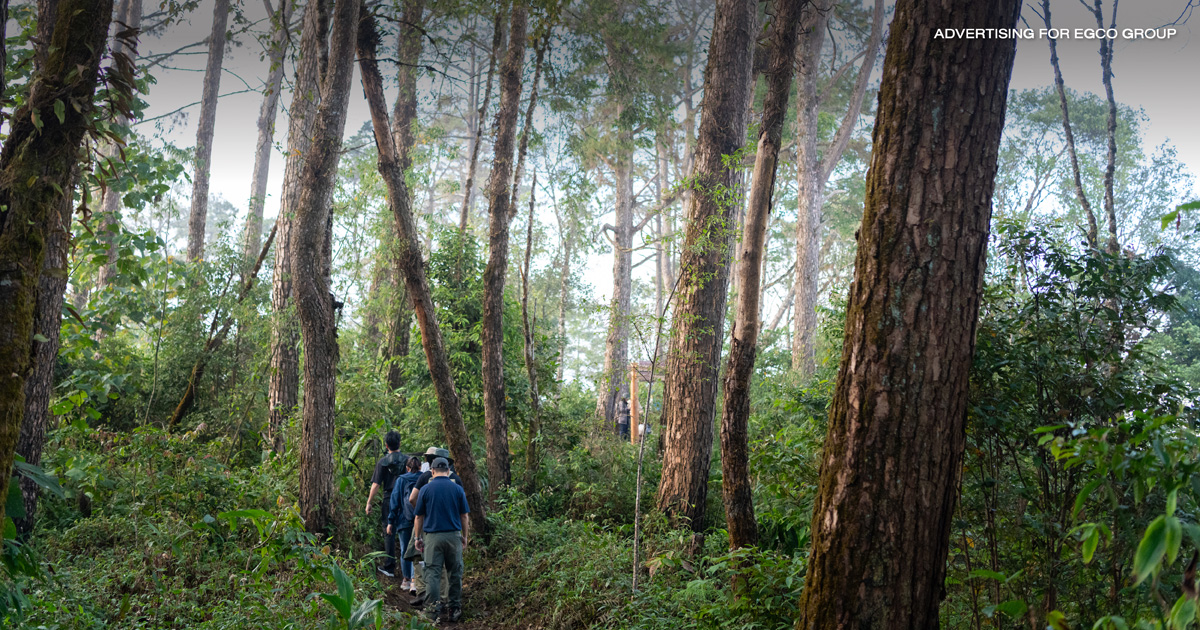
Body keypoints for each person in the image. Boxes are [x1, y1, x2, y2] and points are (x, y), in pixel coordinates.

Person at [414, 457, 470, 624]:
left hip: (432, 538)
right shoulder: (457, 489)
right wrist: (465, 536)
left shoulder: (425, 489)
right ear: (448, 471)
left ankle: (432, 612)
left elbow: (418, 516)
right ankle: (454, 608)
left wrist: (418, 537)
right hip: (453, 536)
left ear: (432, 471)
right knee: (455, 573)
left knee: (432, 574)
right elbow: (464, 515)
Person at [407, 447, 461, 605]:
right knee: (447, 564)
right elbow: (462, 509)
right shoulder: (456, 479)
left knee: (418, 556)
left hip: (428, 524)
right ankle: (445, 599)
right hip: (451, 527)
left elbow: (412, 499)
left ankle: (424, 592)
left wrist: (423, 512)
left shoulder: (425, 477)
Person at [365, 430, 406, 577]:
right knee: (406, 530)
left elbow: (376, 485)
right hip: (405, 499)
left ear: (386, 445)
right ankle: (409, 568)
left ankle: (390, 567)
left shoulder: (382, 462)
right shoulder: (407, 460)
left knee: (388, 531)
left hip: (389, 498)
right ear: (399, 443)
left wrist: (369, 502)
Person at [387, 456, 422, 592]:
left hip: (404, 520)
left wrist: (391, 521)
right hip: (420, 520)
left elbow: (394, 502)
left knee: (404, 549)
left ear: (407, 468)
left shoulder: (401, 480)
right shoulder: (423, 478)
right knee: (418, 548)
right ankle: (415, 580)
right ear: (420, 467)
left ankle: (406, 579)